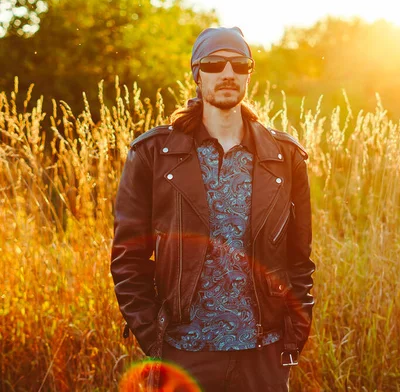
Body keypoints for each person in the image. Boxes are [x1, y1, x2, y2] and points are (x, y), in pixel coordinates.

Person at [110, 26, 315, 391]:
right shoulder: (154, 154)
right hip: (184, 351)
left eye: (240, 64)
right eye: (214, 63)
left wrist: (292, 336)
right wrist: (154, 336)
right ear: (197, 73)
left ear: (249, 74)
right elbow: (128, 257)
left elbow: (300, 259)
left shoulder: (284, 157)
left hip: (263, 352)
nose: (227, 73)